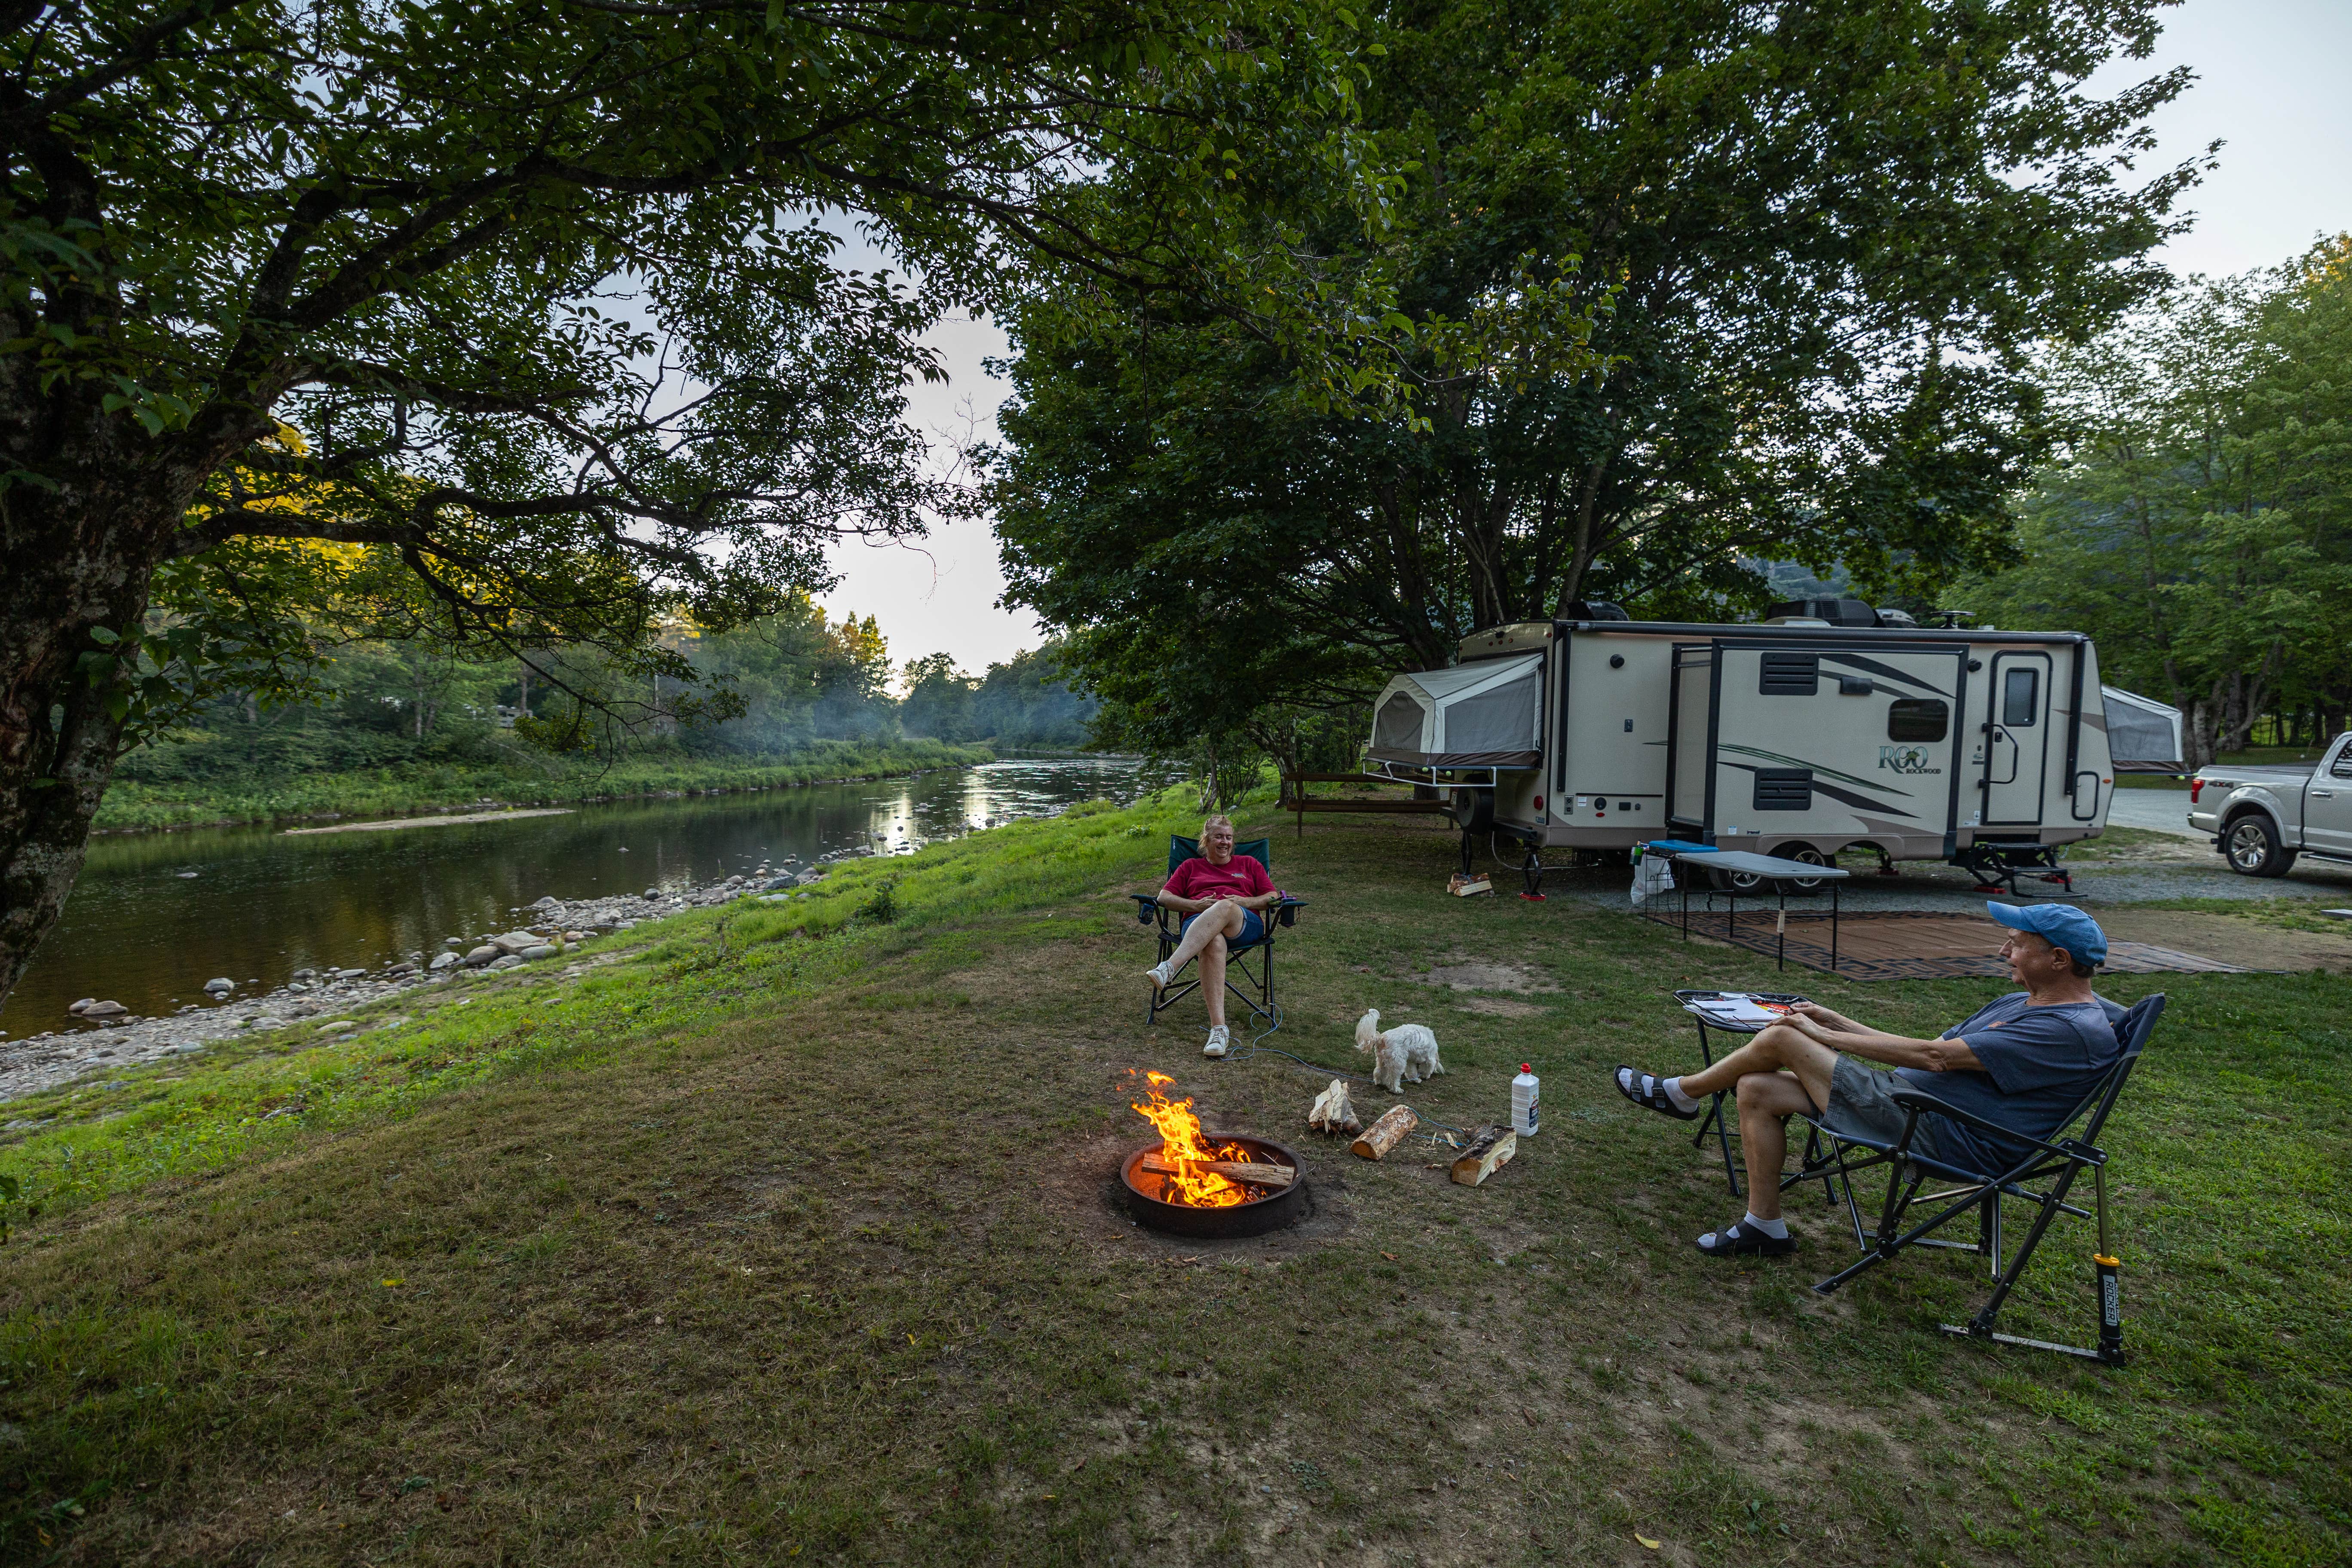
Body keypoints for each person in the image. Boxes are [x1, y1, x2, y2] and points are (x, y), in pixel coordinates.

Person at [1612, 902, 2125, 1257]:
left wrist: (1821, 1037)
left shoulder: (2067, 1030)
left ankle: (1681, 1094)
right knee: (1758, 1088)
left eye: (2016, 945)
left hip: (1943, 1134)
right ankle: (1764, 1226)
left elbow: (1936, 1059)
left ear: (2059, 959)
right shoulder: (2024, 1002)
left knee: (1785, 1039)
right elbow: (1929, 1049)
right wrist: (1838, 1022)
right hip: (1911, 1106)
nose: (2002, 952)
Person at [1142, 814, 1286, 1058]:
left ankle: (1169, 967)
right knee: (1213, 941)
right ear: (1206, 840)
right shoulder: (1190, 867)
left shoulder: (1249, 864)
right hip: (1198, 926)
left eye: (1229, 838)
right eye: (1219, 837)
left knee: (1226, 906)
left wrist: (1244, 901)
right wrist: (1197, 906)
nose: (1225, 842)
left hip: (1243, 924)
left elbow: (1274, 897)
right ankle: (1219, 1030)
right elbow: (1164, 898)